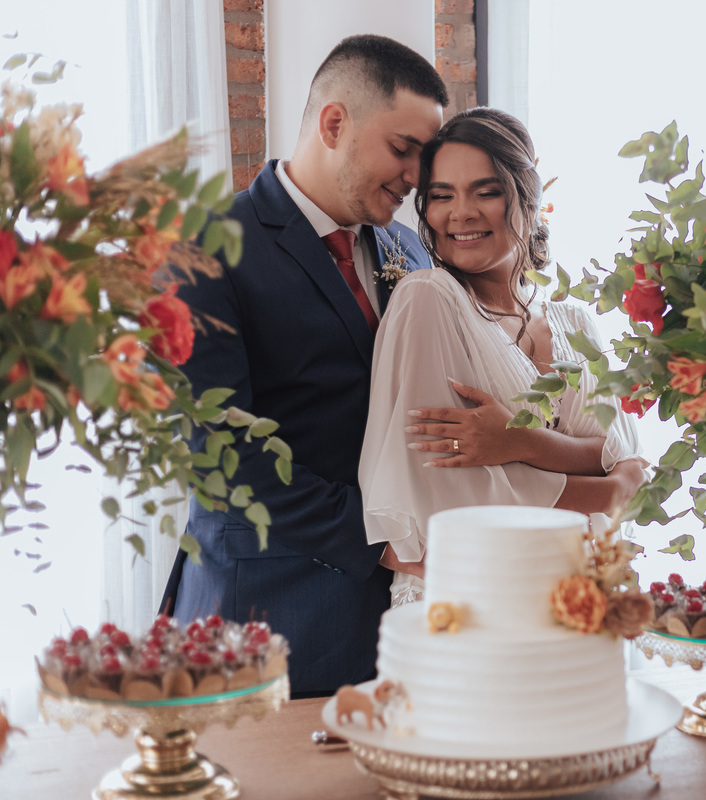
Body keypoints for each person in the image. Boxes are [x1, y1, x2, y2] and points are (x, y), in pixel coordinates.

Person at [159, 35, 448, 697]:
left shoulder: (408, 248)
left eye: (424, 158)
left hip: (404, 617)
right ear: (334, 123)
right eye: (402, 149)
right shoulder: (204, 249)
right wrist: (378, 539)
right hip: (265, 612)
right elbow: (220, 452)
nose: (415, 177)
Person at [359, 107, 645, 603]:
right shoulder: (428, 299)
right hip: (467, 603)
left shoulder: (575, 322)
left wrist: (518, 442)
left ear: (529, 198)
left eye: (486, 192)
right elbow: (447, 499)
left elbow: (628, 459)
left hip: (586, 598)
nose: (461, 213)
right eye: (441, 195)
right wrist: (608, 490)